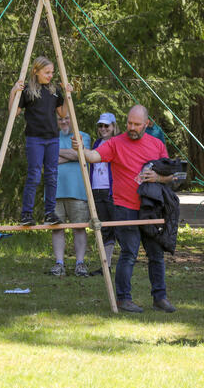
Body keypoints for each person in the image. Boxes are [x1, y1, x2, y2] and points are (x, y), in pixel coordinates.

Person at [74, 104, 176, 313]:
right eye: (129, 123)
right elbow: (94, 156)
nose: (132, 127)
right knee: (129, 253)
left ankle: (160, 298)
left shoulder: (157, 144)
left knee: (156, 254)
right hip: (123, 206)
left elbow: (172, 175)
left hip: (150, 207)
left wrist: (158, 177)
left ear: (146, 124)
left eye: (137, 124)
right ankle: (123, 299)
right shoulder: (115, 143)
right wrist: (81, 150)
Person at [8, 56, 72, 226]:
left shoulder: (53, 91)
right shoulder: (28, 90)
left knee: (52, 175)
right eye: (47, 72)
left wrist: (67, 95)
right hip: (35, 138)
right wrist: (13, 91)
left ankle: (50, 213)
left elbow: (63, 113)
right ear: (36, 71)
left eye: (52, 72)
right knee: (34, 175)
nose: (50, 75)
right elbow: (14, 113)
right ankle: (26, 214)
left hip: (52, 138)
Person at [48, 114, 91, 277]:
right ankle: (59, 263)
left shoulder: (82, 136)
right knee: (57, 229)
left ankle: (80, 264)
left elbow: (80, 155)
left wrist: (57, 152)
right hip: (54, 192)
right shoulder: (50, 137)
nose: (64, 121)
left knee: (79, 228)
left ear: (73, 119)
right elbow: (48, 159)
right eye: (60, 119)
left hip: (77, 191)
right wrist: (72, 154)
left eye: (67, 118)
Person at [89, 112, 118, 269]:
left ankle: (126, 260)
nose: (103, 128)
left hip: (111, 190)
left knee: (117, 226)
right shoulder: (97, 143)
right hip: (96, 189)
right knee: (104, 227)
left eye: (107, 125)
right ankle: (106, 265)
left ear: (113, 127)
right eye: (100, 126)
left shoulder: (117, 143)